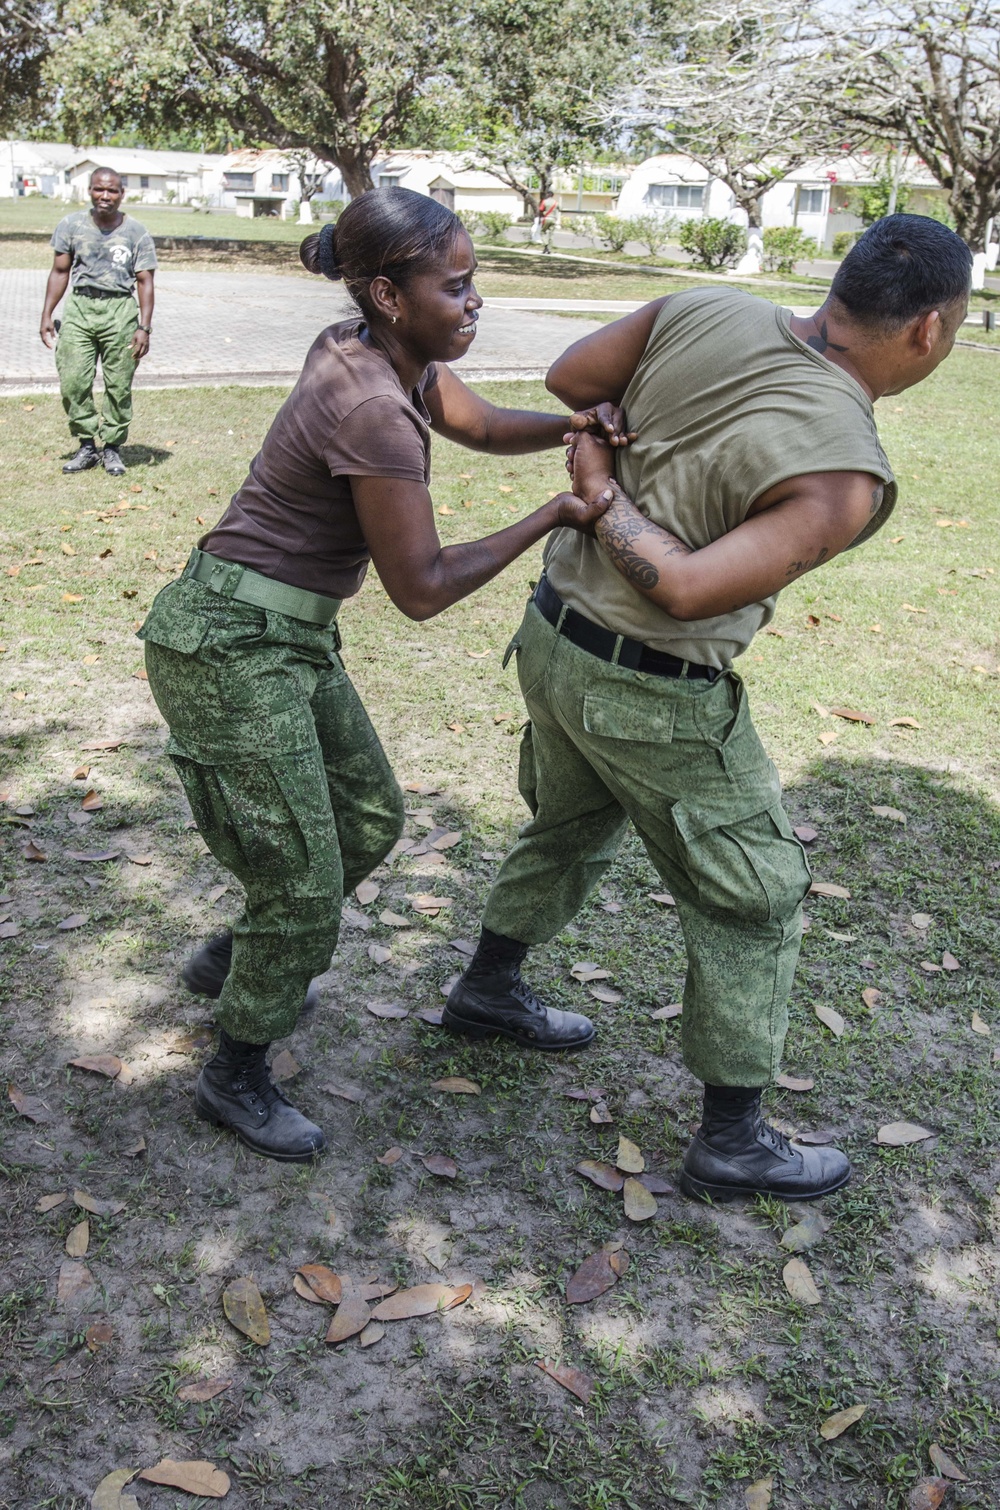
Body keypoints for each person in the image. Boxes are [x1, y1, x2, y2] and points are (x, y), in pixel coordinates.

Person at [445, 214, 972, 1203]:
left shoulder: (707, 308)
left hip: (553, 638)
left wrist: (605, 468)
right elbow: (682, 590)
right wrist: (603, 493)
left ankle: (485, 986)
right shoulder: (844, 469)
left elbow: (569, 378)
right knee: (755, 890)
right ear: (928, 332)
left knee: (570, 821)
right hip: (652, 690)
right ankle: (733, 1138)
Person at [138, 187, 630, 1164]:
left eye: (474, 281)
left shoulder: (375, 350)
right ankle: (236, 1069)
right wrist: (555, 514)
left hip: (287, 636)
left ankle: (237, 957)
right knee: (305, 882)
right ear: (388, 293)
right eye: (456, 286)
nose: (474, 300)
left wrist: (575, 424)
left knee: (368, 821)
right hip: (229, 644)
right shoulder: (372, 406)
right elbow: (422, 587)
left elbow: (480, 424)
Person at [40, 167, 156, 477]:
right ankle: (87, 446)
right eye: (99, 190)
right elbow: (60, 271)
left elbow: (145, 281)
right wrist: (47, 313)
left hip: (119, 311)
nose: (105, 196)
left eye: (112, 191)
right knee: (74, 379)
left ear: (122, 194)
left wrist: (143, 327)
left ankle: (113, 448)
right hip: (79, 308)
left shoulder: (137, 233)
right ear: (90, 191)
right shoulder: (71, 225)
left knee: (118, 384)